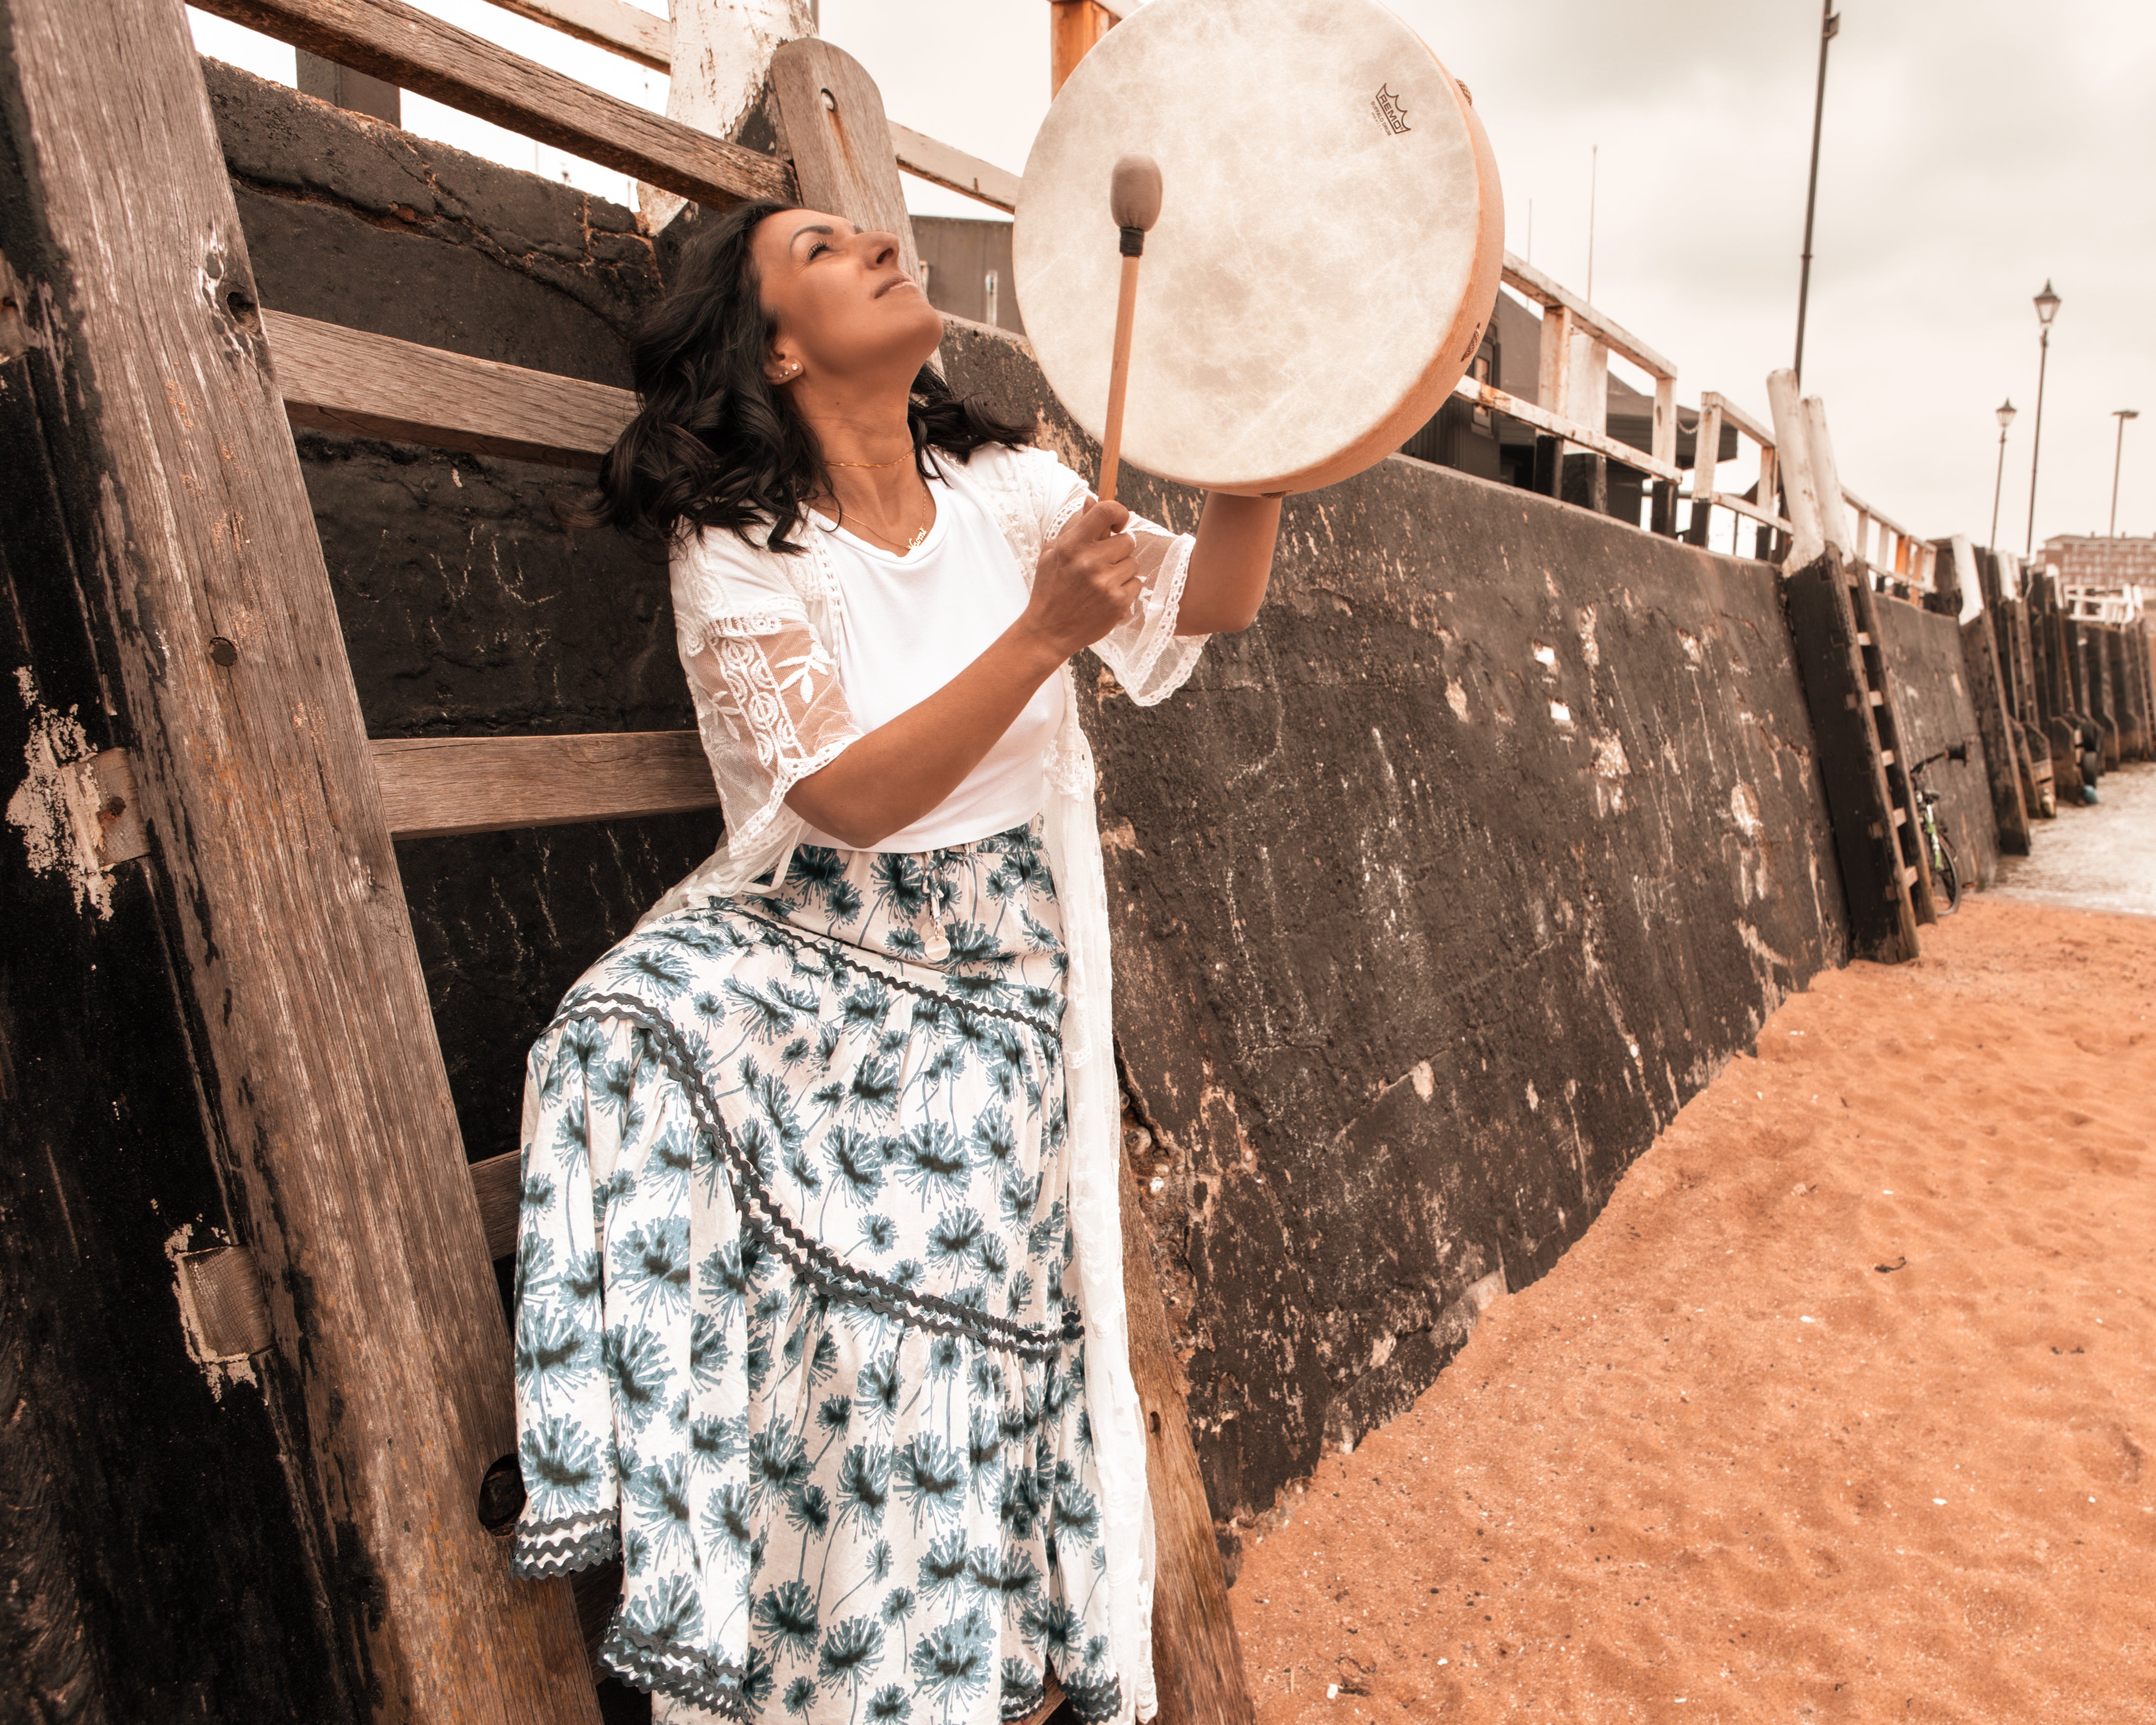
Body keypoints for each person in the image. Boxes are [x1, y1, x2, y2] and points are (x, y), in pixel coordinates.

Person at [506, 199, 1279, 1725]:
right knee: (612, 1033)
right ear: (777, 345)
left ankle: (916, 1670)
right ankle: (705, 1558)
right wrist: (1039, 638)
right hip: (811, 936)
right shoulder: (738, 546)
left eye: (872, 231)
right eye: (820, 245)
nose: (876, 240)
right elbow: (844, 797)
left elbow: (1218, 600)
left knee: (923, 1254)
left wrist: (1276, 420)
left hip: (995, 967)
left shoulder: (1012, 491)